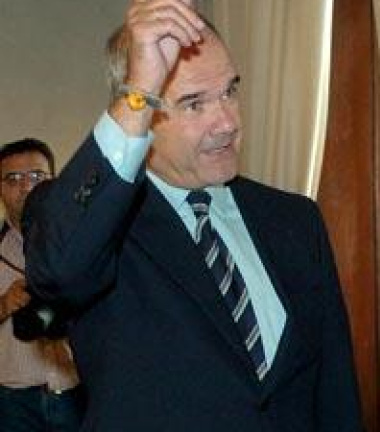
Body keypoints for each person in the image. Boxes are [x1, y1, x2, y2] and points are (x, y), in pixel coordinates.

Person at [22, 0, 362, 430]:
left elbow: (334, 391)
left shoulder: (295, 220)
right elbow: (59, 270)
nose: (227, 122)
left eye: (230, 92)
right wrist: (139, 90)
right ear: (145, 110)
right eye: (194, 103)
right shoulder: (98, 227)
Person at [0, 138, 83, 431]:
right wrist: (4, 304)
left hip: (77, 387)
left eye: (36, 176)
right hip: (13, 401)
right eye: (13, 179)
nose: (26, 187)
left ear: (54, 182)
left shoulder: (81, 241)